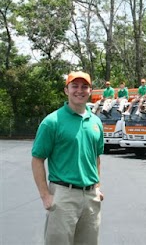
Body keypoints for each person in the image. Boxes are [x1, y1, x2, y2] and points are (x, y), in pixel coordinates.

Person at [31, 71, 104, 245]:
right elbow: (37, 159)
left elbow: (96, 157)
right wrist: (45, 196)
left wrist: (98, 186)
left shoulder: (96, 122)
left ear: (90, 90)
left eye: (84, 86)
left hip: (91, 196)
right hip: (64, 195)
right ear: (66, 90)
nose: (80, 90)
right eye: (75, 86)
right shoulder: (52, 121)